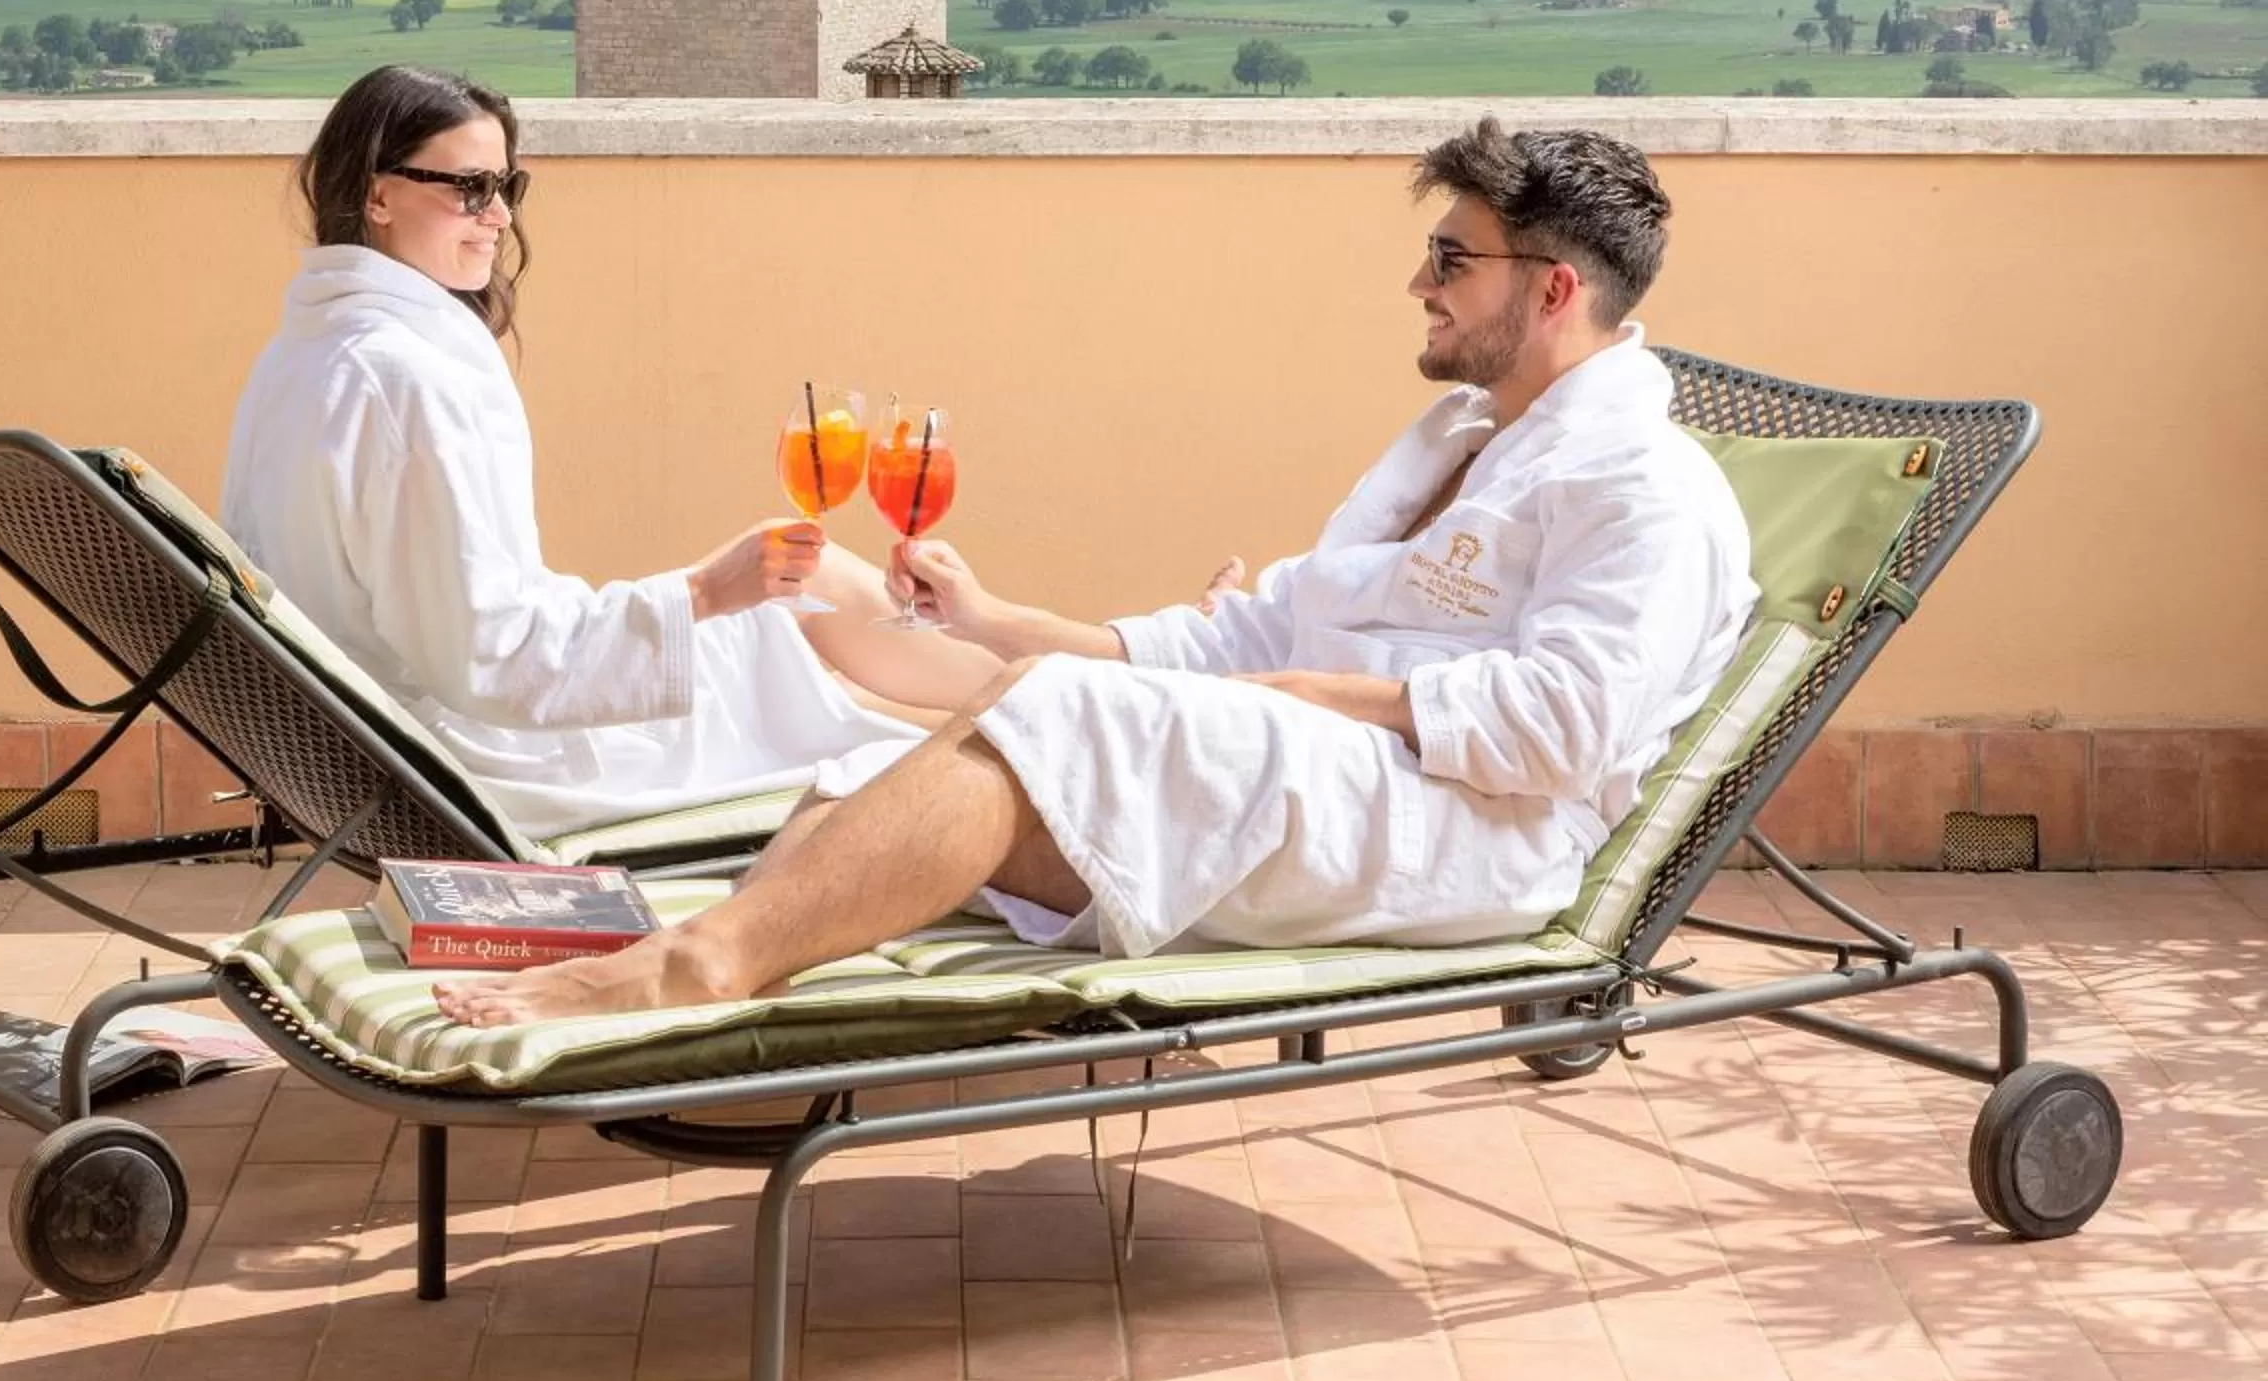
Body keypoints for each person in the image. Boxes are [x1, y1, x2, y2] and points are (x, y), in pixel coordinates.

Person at [435, 118, 1758, 1026]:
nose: (1420, 280)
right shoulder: (1458, 443)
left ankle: (697, 964)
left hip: (1460, 829)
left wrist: (1308, 697)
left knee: (1047, 725)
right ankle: (739, 1035)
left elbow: (1563, 731)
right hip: (1324, 768)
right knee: (896, 765)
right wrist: (1015, 625)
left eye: (1453, 257)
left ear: (1552, 289)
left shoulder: (1647, 490)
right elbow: (1249, 633)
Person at [221, 64, 999, 846]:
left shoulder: (309, 350)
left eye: (506, 188)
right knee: (811, 630)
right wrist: (701, 590)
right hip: (485, 760)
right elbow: (491, 655)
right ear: (377, 194)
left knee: (815, 631)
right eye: (467, 189)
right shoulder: (404, 378)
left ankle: (1047, 697)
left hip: (388, 738)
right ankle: (1055, 699)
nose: (496, 217)